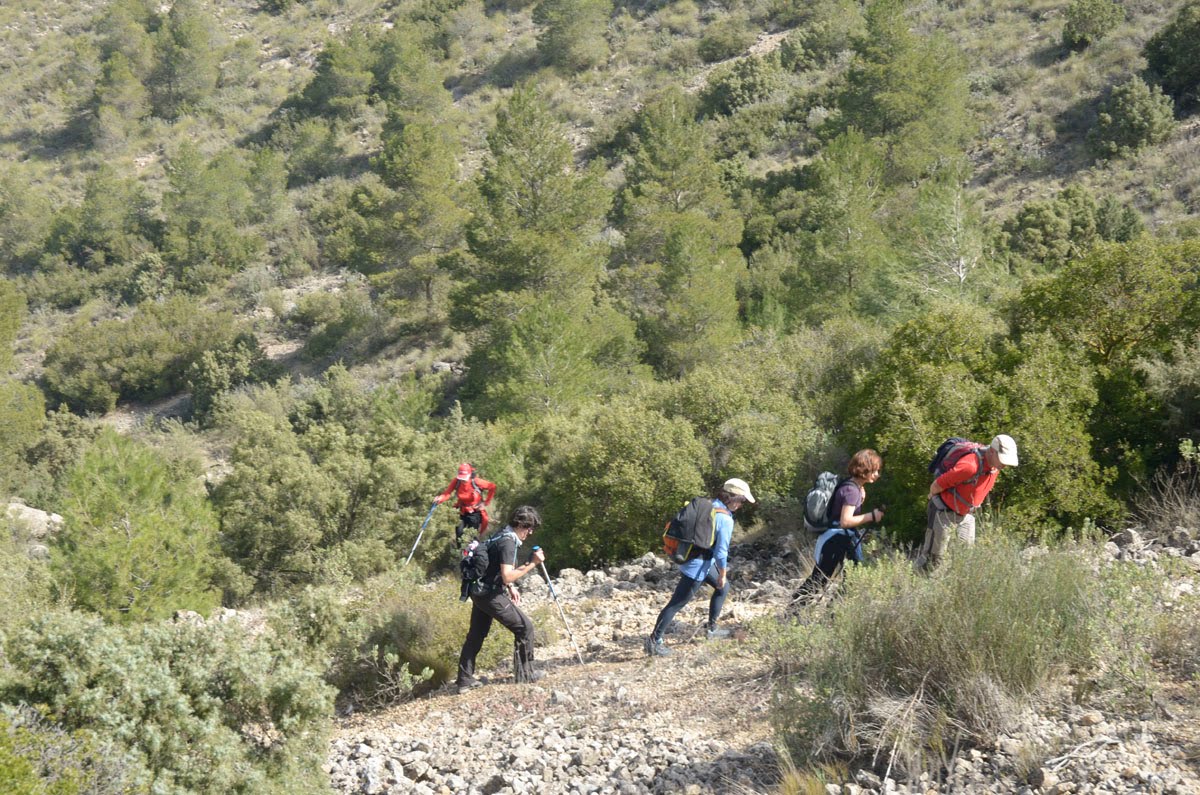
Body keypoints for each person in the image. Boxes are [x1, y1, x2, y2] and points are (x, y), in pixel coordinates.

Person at [645, 477, 754, 657]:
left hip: (698, 560)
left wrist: (721, 578)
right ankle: (653, 642)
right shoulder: (725, 519)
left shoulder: (711, 505)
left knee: (723, 588)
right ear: (733, 498)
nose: (741, 505)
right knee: (677, 603)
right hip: (697, 566)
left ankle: (711, 629)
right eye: (741, 501)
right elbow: (721, 552)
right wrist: (723, 573)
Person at [456, 505, 545, 693]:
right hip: (489, 594)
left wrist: (510, 587)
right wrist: (533, 563)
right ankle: (524, 674)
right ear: (520, 524)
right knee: (525, 628)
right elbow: (507, 575)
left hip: (478, 590)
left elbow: (494, 566)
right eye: (529, 527)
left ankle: (464, 680)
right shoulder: (508, 542)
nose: (530, 532)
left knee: (476, 635)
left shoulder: (502, 533)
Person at [792, 449, 885, 603]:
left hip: (836, 539)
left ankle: (827, 611)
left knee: (839, 578)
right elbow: (845, 521)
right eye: (874, 470)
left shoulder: (850, 485)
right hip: (837, 540)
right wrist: (872, 516)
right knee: (823, 580)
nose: (877, 474)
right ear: (864, 470)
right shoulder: (852, 491)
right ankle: (795, 611)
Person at [916, 434, 1019, 573]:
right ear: (992, 451)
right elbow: (937, 484)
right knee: (933, 560)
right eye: (1002, 459)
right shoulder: (969, 466)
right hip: (943, 512)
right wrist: (932, 497)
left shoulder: (995, 467)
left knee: (965, 560)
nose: (1005, 465)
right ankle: (916, 581)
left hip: (966, 515)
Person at [434, 463, 497, 545]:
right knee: (459, 534)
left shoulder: (476, 481)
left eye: (464, 478)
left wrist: (485, 503)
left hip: (475, 511)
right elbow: (447, 493)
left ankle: (472, 550)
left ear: (470, 474)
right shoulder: (456, 481)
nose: (463, 480)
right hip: (461, 510)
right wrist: (439, 499)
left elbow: (492, 487)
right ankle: (460, 551)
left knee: (472, 536)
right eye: (461, 477)